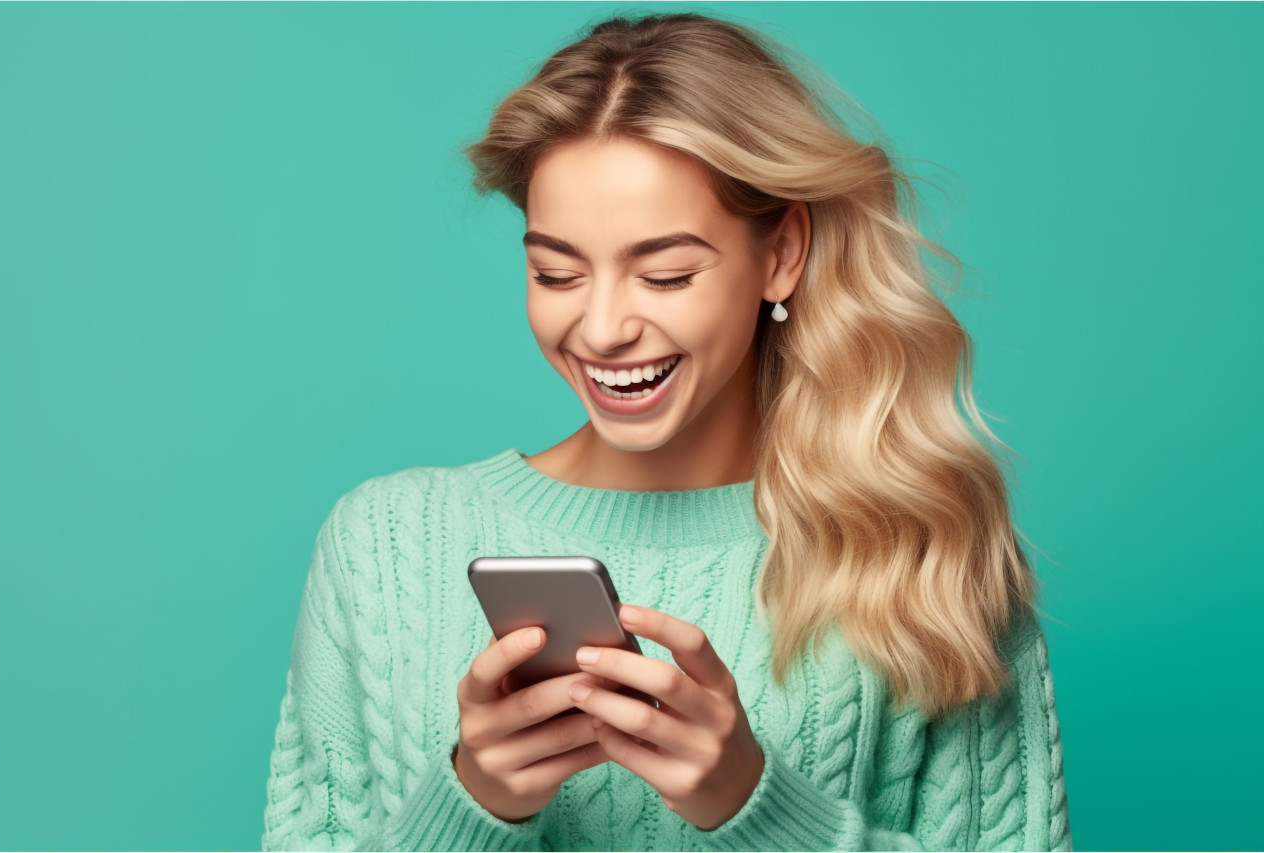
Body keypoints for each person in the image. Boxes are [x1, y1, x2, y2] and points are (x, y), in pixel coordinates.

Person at [261, 11, 1072, 852]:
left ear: (782, 254)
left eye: (666, 273)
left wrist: (755, 806)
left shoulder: (925, 550)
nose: (602, 328)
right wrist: (473, 801)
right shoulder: (385, 547)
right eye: (556, 272)